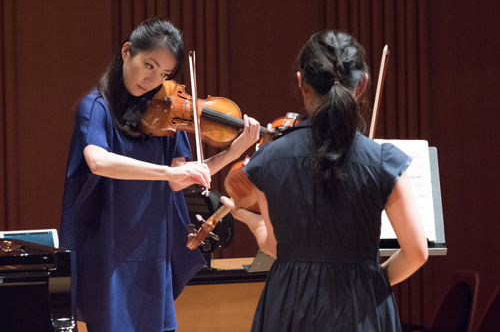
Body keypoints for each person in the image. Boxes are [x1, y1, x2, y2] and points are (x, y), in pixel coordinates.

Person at [59, 17, 260, 332]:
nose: (153, 79)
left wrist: (234, 153)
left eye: (164, 73)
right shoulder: (95, 106)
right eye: (149, 65)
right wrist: (167, 173)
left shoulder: (166, 116)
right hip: (109, 248)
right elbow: (98, 161)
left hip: (153, 247)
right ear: (127, 52)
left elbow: (185, 176)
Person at [221, 30, 428, 331]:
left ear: (301, 82)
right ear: (362, 85)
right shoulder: (383, 163)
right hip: (360, 305)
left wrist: (252, 222)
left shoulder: (268, 160)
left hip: (289, 305)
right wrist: (372, 279)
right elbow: (417, 252)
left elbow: (276, 245)